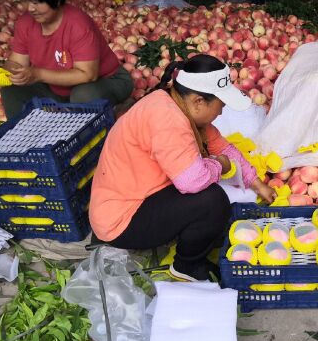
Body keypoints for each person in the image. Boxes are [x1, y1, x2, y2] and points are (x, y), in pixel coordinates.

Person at [89, 55, 276, 281]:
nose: (221, 113)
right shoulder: (169, 119)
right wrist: (219, 164)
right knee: (212, 201)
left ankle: (197, 242)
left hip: (138, 199)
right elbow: (192, 181)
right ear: (199, 101)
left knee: (214, 204)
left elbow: (222, 147)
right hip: (121, 220)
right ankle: (187, 265)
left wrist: (256, 183)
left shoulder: (175, 103)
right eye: (221, 106)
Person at [1, 0, 133, 119]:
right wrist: (13, 73)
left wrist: (38, 74)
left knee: (83, 95)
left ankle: (114, 110)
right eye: (25, 0)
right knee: (11, 89)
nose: (30, 8)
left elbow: (88, 75)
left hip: (107, 80)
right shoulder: (25, 23)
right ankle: (25, 136)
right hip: (57, 88)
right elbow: (16, 62)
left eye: (37, 2)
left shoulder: (77, 24)